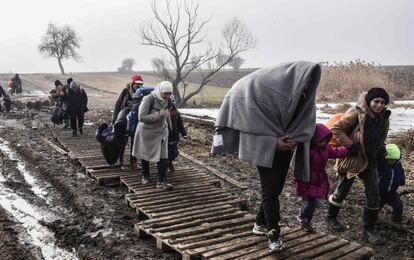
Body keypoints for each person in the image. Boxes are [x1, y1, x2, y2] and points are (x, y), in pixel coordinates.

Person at [214, 61, 321, 252]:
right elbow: (252, 124)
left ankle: (259, 223)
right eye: (305, 79)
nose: (307, 84)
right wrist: (273, 142)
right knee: (270, 190)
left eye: (310, 81)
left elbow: (306, 123)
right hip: (263, 147)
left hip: (286, 148)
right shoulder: (264, 93)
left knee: (276, 188)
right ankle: (273, 234)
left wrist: (297, 138)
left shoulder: (302, 97)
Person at [327, 87, 391, 245]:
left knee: (374, 194)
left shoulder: (384, 118)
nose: (379, 105)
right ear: (369, 102)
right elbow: (336, 129)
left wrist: (380, 149)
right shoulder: (357, 113)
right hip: (353, 158)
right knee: (342, 190)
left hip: (370, 161)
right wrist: (350, 145)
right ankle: (331, 218)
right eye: (376, 101)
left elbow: (380, 139)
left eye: (383, 102)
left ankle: (369, 229)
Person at [294, 123, 348, 232]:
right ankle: (302, 217)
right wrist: (299, 182)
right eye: (321, 140)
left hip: (320, 179)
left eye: (325, 140)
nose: (323, 142)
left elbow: (336, 152)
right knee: (313, 201)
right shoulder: (306, 151)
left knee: (315, 201)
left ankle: (306, 219)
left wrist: (348, 149)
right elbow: (298, 166)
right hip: (307, 180)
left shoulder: (326, 148)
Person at [132, 81, 173, 190]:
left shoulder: (168, 100)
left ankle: (161, 182)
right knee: (146, 154)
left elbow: (167, 114)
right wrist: (158, 115)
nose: (168, 96)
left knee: (163, 157)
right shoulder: (148, 99)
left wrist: (170, 127)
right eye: (166, 94)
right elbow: (141, 117)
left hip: (162, 132)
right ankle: (145, 176)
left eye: (170, 93)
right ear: (160, 91)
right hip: (147, 132)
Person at [112, 74, 144, 169]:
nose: (139, 86)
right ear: (133, 83)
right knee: (122, 141)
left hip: (136, 120)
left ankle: (133, 162)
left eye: (141, 84)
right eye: (137, 84)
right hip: (124, 120)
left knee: (135, 142)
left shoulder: (142, 93)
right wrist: (114, 120)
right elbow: (117, 105)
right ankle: (120, 161)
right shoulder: (126, 92)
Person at [378, 143, 405, 224]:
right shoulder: (382, 164)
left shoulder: (398, 165)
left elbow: (401, 173)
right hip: (380, 192)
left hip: (392, 192)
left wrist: (402, 181)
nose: (392, 161)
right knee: (375, 207)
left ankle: (396, 221)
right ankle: (371, 221)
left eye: (394, 160)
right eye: (390, 159)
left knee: (399, 205)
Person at [168, 95, 187, 172]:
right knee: (166, 153)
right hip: (166, 136)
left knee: (175, 153)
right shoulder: (163, 111)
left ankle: (169, 162)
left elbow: (180, 124)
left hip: (175, 136)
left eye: (173, 102)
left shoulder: (176, 112)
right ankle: (167, 164)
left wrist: (184, 134)